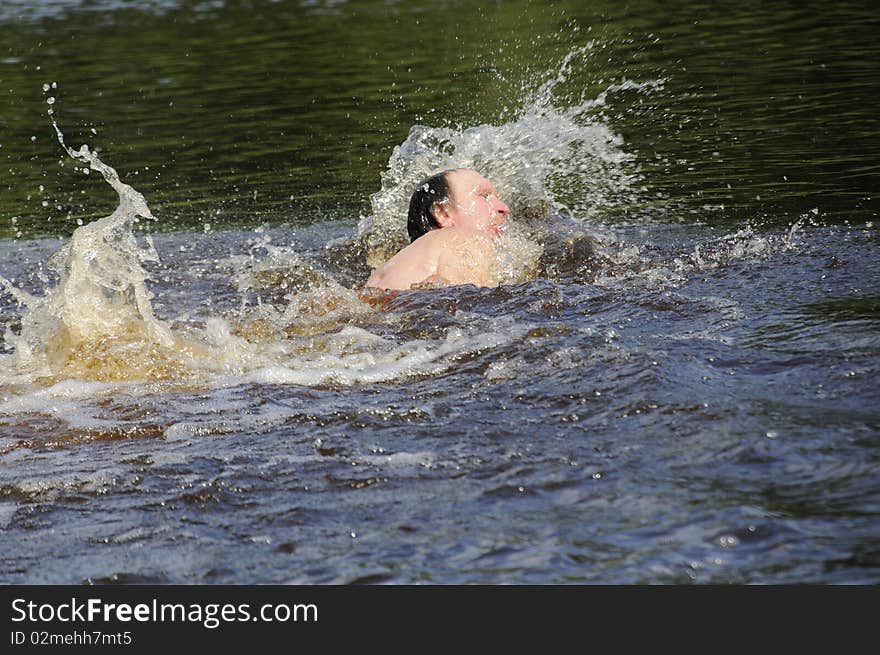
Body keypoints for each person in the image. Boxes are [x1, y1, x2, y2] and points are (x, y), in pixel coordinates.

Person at [364, 168, 510, 290]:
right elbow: (468, 307)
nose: (504, 208)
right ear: (442, 213)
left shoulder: (394, 265)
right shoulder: (460, 238)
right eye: (484, 196)